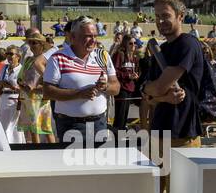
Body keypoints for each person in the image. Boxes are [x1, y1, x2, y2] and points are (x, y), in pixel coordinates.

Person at [142, 0, 205, 193]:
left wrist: (157, 93)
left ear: (181, 15)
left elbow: (156, 86)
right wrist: (161, 96)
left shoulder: (187, 44)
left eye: (166, 16)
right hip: (158, 135)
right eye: (157, 17)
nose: (161, 22)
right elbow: (146, 91)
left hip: (183, 137)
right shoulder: (161, 49)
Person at [42, 17, 117, 146]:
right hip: (70, 125)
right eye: (88, 36)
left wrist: (105, 87)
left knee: (99, 164)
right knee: (74, 165)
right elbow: (47, 92)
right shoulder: (58, 58)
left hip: (100, 123)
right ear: (73, 37)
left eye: (95, 35)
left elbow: (116, 87)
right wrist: (79, 94)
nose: (93, 40)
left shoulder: (103, 56)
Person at [16, 30, 55, 143]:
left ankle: (54, 151)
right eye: (30, 43)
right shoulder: (28, 59)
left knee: (46, 129)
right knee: (32, 129)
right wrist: (21, 85)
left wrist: (36, 88)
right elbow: (20, 76)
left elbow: (51, 81)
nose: (31, 45)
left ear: (42, 45)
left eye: (34, 43)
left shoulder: (46, 61)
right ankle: (36, 150)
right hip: (28, 98)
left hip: (40, 98)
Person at [111, 31, 140, 133]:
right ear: (125, 44)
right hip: (121, 87)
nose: (133, 45)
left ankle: (122, 131)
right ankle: (117, 133)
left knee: (126, 112)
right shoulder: (119, 54)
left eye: (135, 43)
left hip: (130, 87)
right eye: (130, 43)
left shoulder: (134, 56)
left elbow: (136, 70)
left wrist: (136, 75)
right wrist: (127, 75)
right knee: (120, 113)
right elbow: (114, 71)